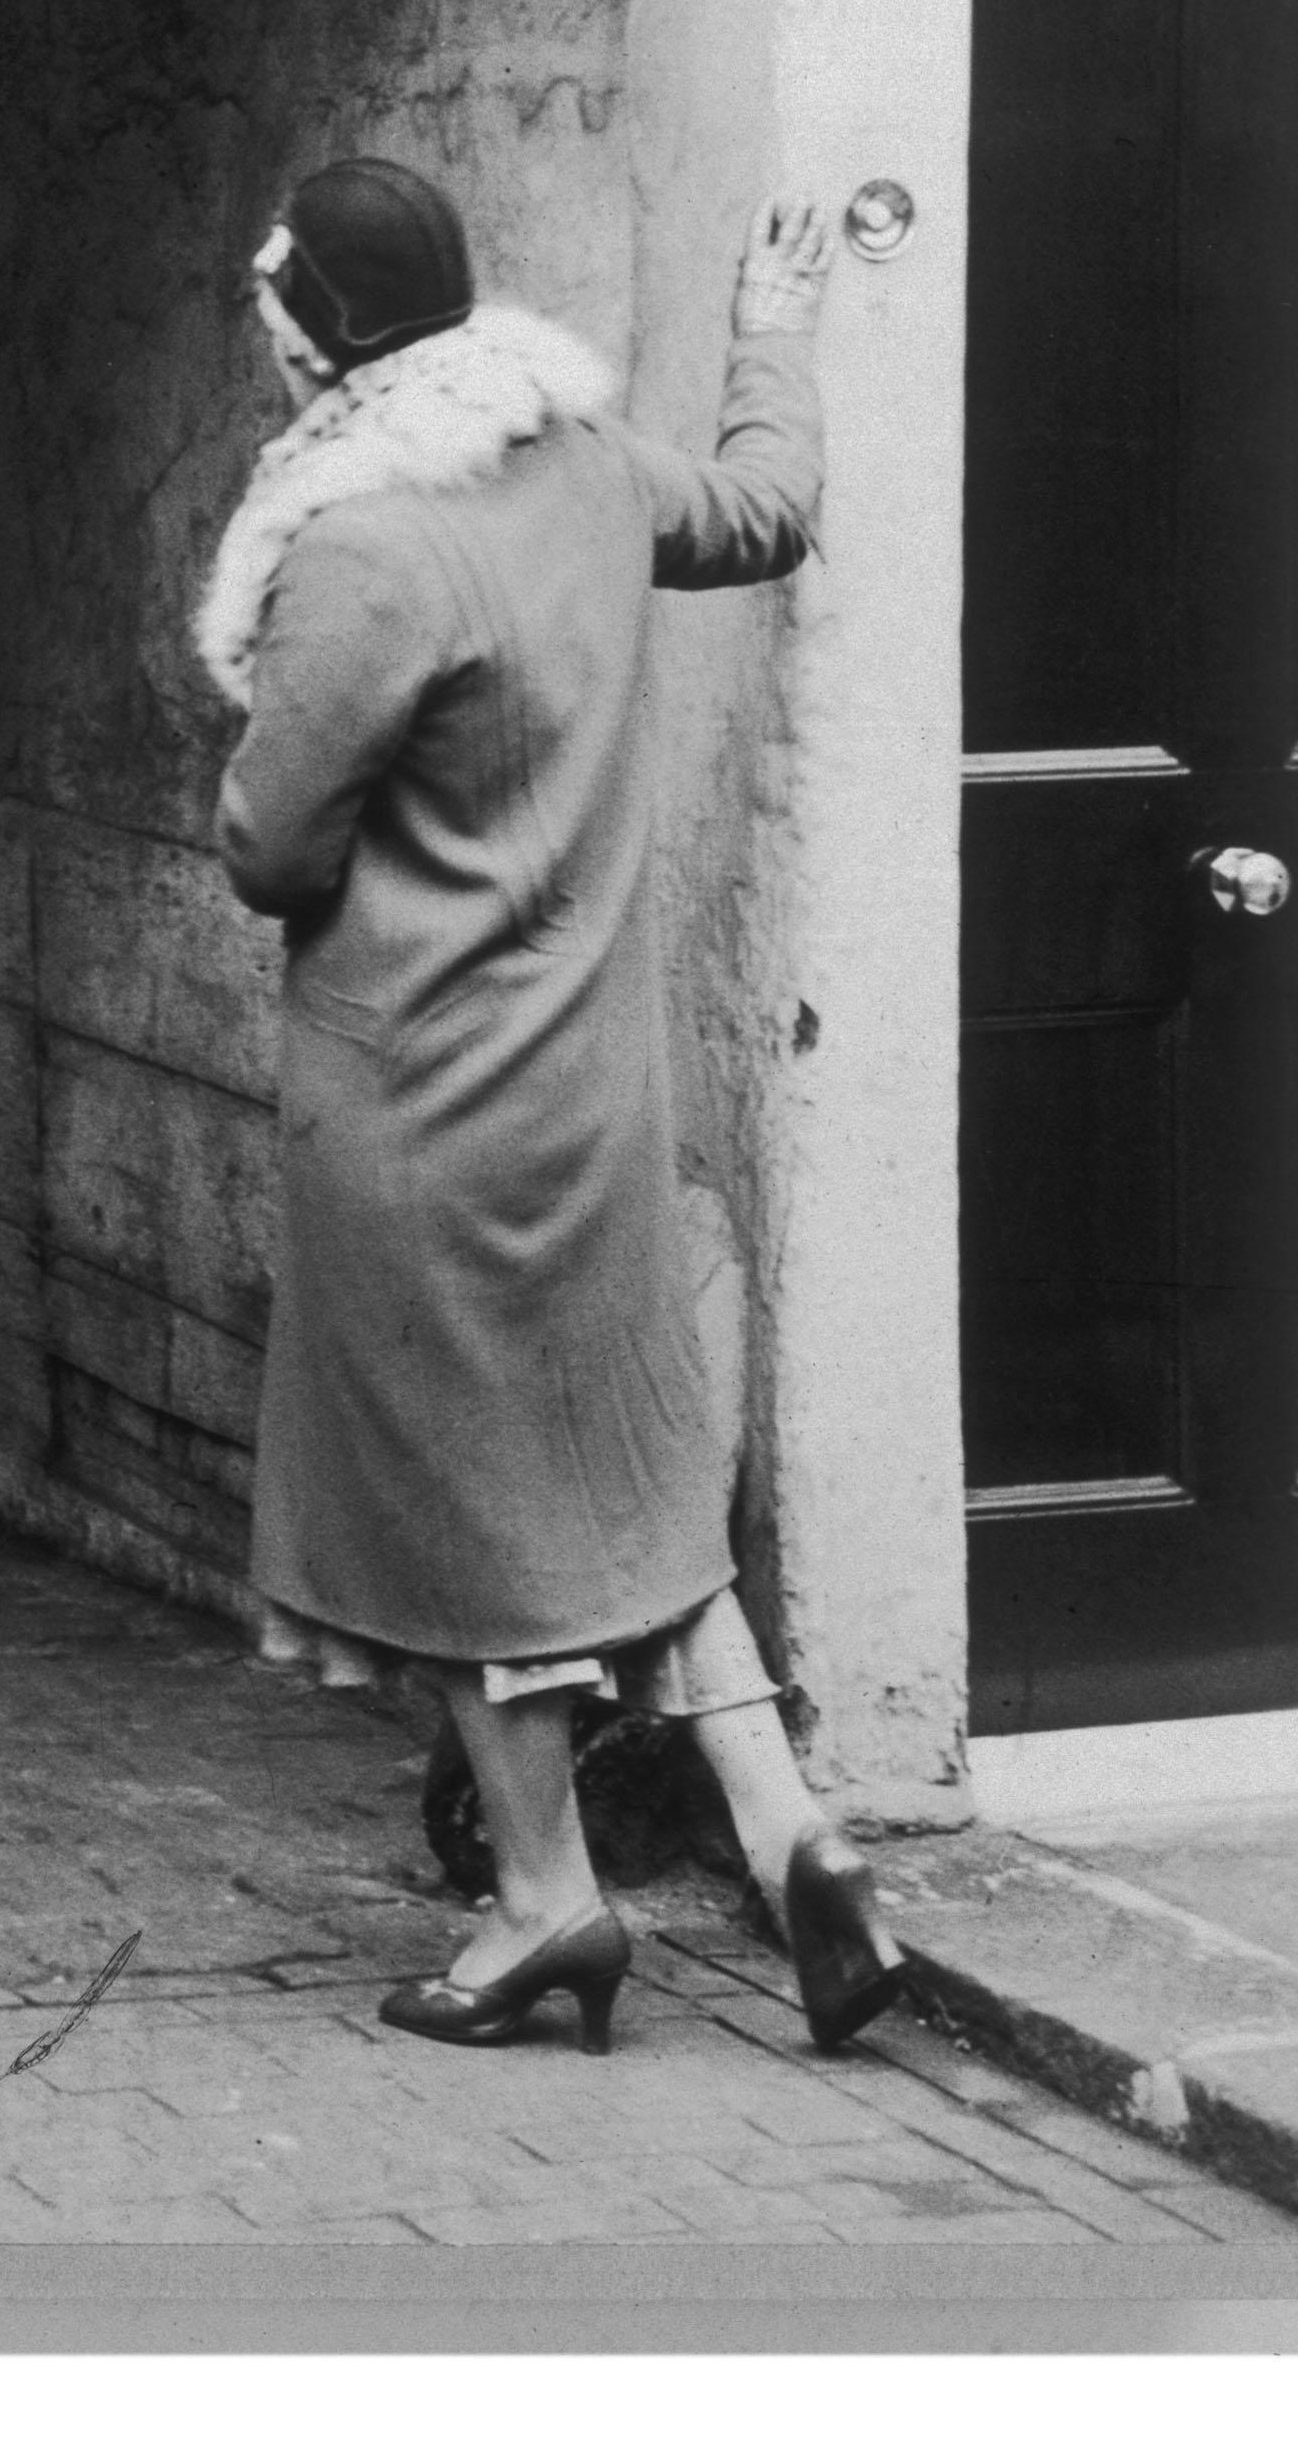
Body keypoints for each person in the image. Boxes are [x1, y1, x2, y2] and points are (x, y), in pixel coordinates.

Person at [195, 157, 904, 2060]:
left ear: (312, 349)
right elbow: (765, 507)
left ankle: (544, 1909)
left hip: (421, 1106)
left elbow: (271, 849)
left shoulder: (361, 546)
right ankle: (797, 1840)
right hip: (591, 1086)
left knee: (463, 1520)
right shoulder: (583, 463)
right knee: (620, 1473)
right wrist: (776, 335)